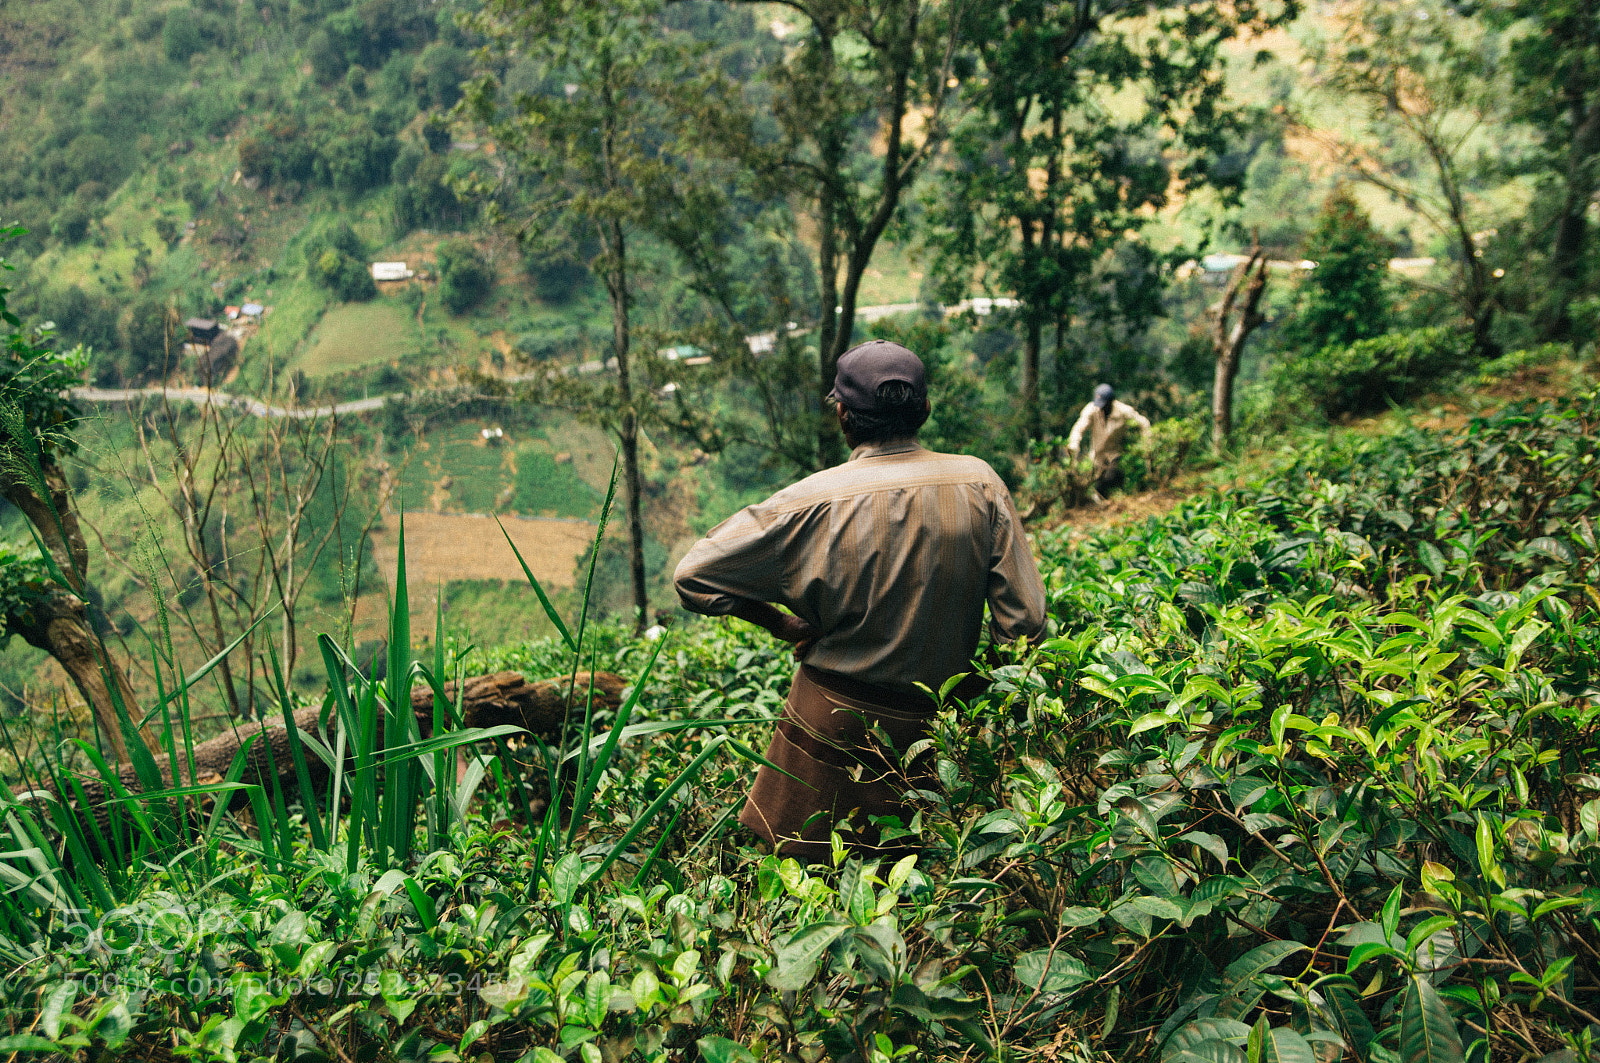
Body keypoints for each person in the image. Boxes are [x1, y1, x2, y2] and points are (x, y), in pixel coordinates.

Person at [674, 339, 1048, 861]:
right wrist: (979, 704)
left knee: (810, 899)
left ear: (844, 416)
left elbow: (694, 575)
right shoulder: (980, 483)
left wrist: (781, 625)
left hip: (828, 729)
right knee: (927, 899)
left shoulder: (809, 501)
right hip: (937, 734)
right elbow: (1025, 626)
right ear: (925, 410)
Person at [1067, 384, 1151, 501]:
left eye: (1104, 404)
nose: (1101, 407)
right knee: (1098, 483)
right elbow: (1079, 427)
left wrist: (1147, 443)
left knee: (1111, 477)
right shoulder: (1092, 409)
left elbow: (1144, 423)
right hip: (1097, 455)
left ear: (1111, 402)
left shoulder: (1123, 411)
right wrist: (1074, 444)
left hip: (1115, 454)